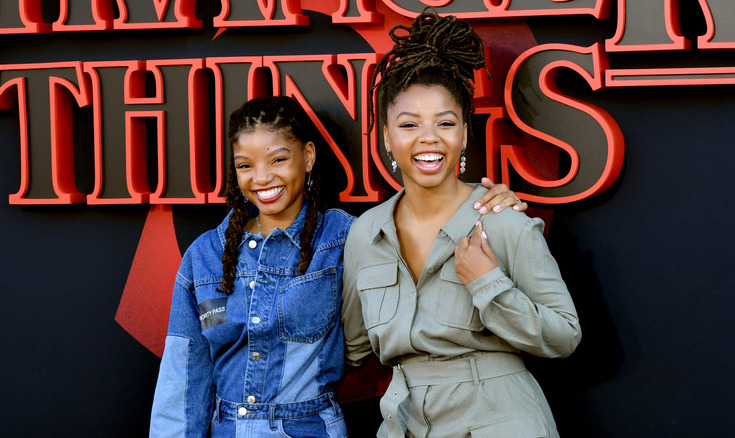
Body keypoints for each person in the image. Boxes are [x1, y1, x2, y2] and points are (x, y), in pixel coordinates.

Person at [149, 96, 525, 437]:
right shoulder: (205, 255)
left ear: (308, 156)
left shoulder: (345, 238)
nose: (261, 178)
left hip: (310, 428)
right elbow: (184, 376)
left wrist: (486, 203)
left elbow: (422, 227)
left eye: (278, 159)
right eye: (245, 165)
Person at [341, 11, 582, 438]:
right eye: (409, 124)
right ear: (386, 138)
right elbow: (351, 350)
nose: (428, 137)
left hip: (500, 418)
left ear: (465, 135)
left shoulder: (501, 220)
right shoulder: (365, 233)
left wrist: (489, 284)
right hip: (404, 422)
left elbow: (565, 335)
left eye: (445, 123)